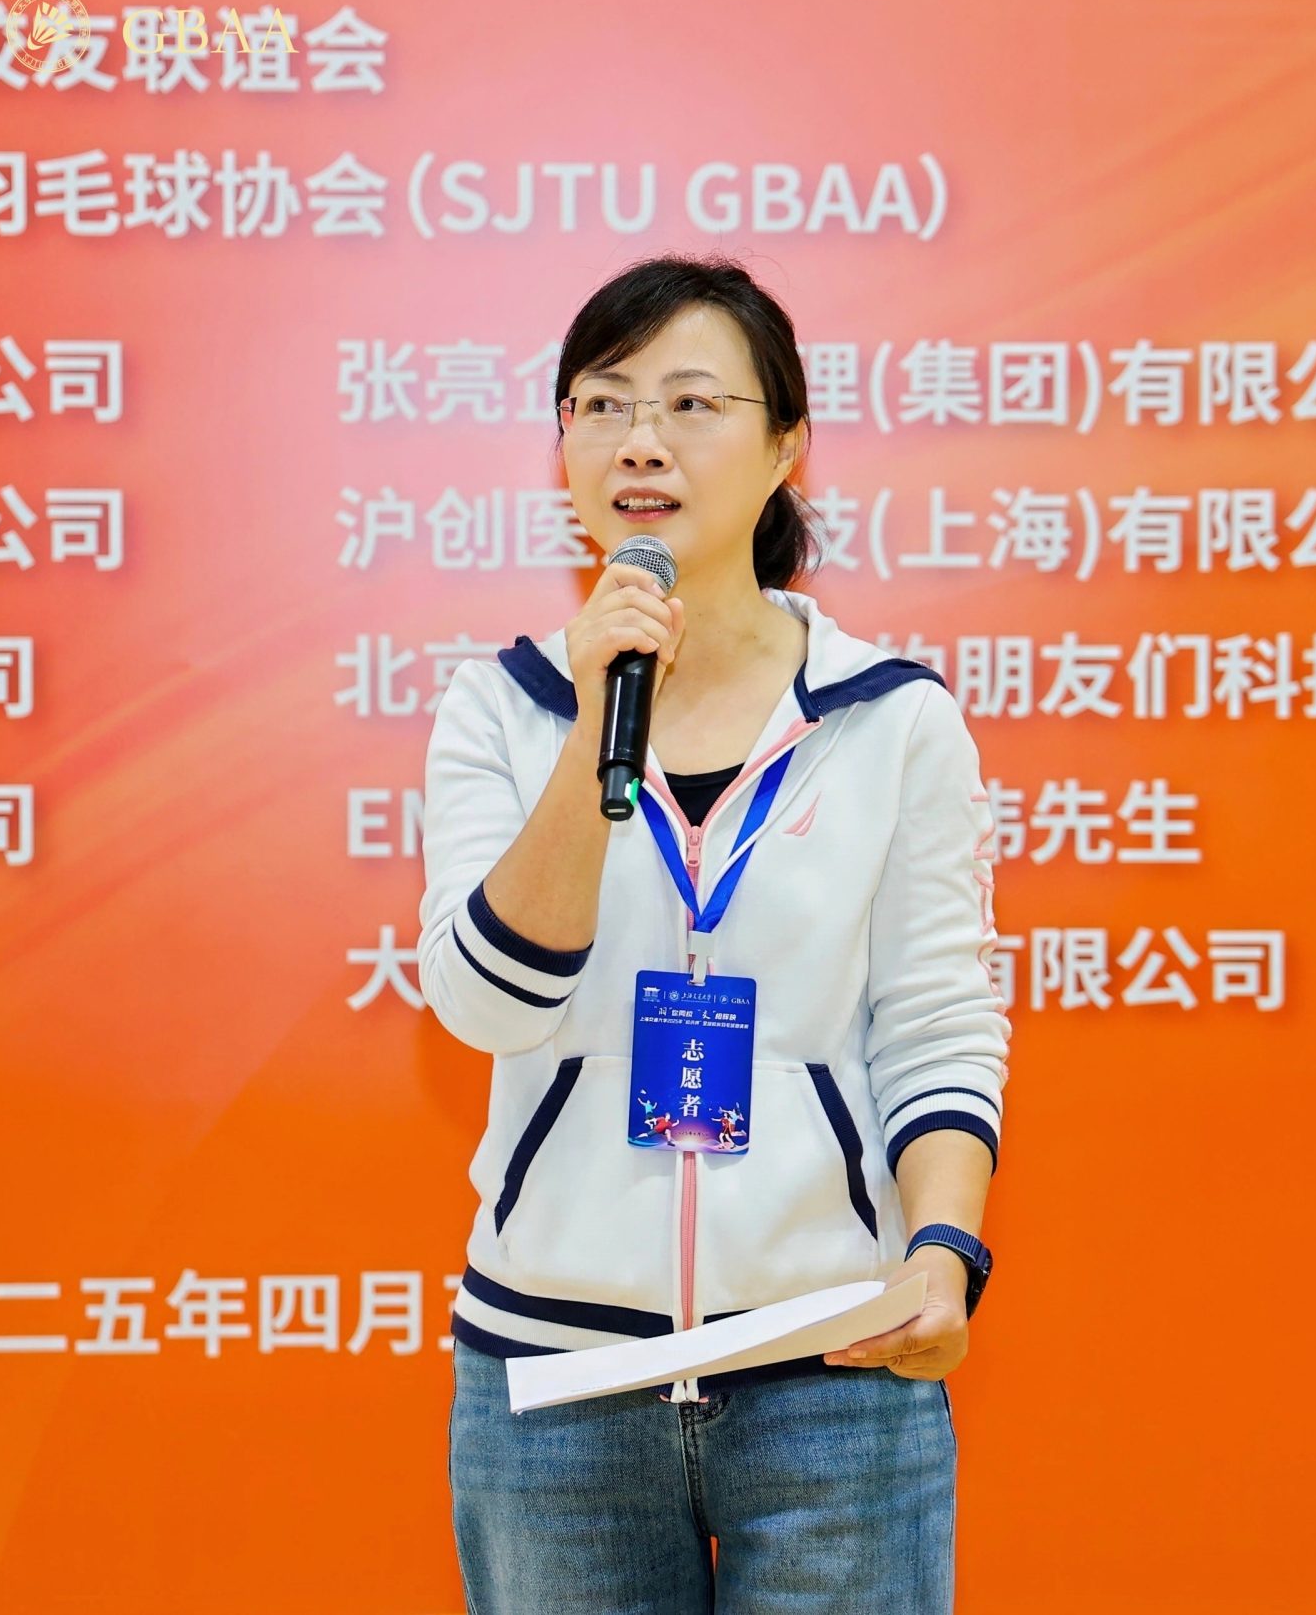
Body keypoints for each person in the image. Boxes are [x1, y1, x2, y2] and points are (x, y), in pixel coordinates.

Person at [418, 254, 1010, 1613]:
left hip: (835, 1367)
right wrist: (594, 725)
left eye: (692, 403)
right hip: (554, 1385)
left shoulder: (891, 718)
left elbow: (936, 1023)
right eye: (604, 403)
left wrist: (942, 1251)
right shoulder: (506, 710)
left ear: (786, 442)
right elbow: (489, 1004)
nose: (642, 441)